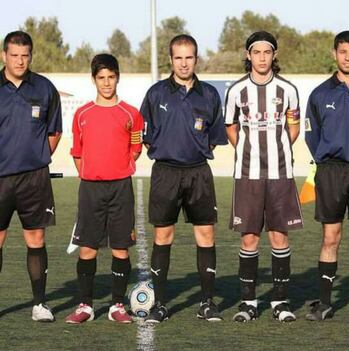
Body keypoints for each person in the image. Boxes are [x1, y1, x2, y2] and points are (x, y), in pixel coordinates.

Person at [140, 34, 228, 323]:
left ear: (196, 58)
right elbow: (146, 137)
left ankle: (207, 302)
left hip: (199, 172)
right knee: (163, 236)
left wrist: (193, 153)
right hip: (165, 173)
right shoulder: (156, 94)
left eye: (189, 57)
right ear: (171, 60)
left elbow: (214, 138)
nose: (184, 63)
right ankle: (160, 303)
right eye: (178, 57)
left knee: (206, 236)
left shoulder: (210, 95)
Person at [225, 31, 303, 323]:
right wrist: (248, 151)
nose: (261, 57)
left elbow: (293, 128)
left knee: (279, 236)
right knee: (249, 238)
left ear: (274, 55)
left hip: (280, 174)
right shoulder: (236, 90)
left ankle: (281, 302)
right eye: (256, 52)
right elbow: (230, 127)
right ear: (248, 55)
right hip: (247, 175)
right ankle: (248, 303)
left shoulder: (288, 89)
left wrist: (278, 149)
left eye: (266, 52)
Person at [65, 54, 144, 324]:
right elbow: (77, 153)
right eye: (101, 78)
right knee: (88, 248)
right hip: (90, 189)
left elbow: (135, 150)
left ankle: (117, 306)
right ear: (93, 79)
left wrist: (116, 169)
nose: (107, 83)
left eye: (111, 77)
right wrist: (92, 174)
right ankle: (85, 305)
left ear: (118, 77)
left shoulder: (132, 114)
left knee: (121, 248)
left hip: (121, 188)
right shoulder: (82, 114)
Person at [0, 31, 62, 322]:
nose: (20, 61)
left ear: (31, 56)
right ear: (4, 56)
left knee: (36, 238)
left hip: (34, 178)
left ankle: (40, 304)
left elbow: (54, 133)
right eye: (14, 55)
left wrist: (35, 158)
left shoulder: (45, 88)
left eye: (25, 55)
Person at [305, 30, 349, 321]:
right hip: (330, 172)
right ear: (334, 54)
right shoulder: (320, 93)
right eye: (343, 52)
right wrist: (327, 163)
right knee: (331, 236)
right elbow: (311, 136)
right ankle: (325, 302)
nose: (348, 57)